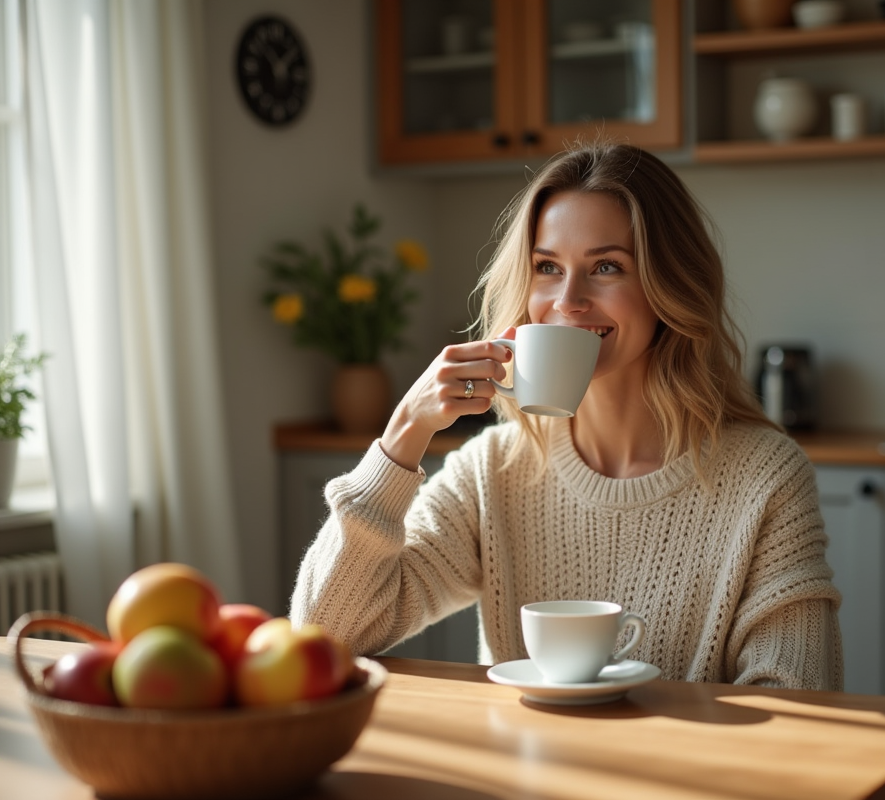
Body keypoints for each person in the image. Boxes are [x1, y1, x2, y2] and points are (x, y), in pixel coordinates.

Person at [291, 141, 843, 691]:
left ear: (668, 284)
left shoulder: (765, 478)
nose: (569, 300)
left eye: (607, 266)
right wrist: (402, 435)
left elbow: (797, 703)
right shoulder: (491, 473)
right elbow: (325, 634)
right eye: (547, 267)